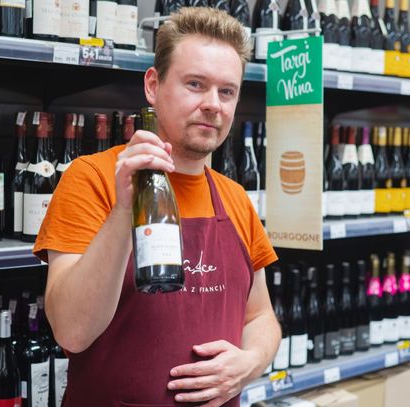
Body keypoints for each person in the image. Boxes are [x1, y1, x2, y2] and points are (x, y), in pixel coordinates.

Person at [34, 7, 281, 406]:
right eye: (195, 84)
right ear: (153, 85)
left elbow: (261, 317)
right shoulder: (92, 178)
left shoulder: (235, 198)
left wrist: (250, 362)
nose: (213, 104)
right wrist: (124, 211)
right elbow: (71, 332)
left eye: (227, 91)